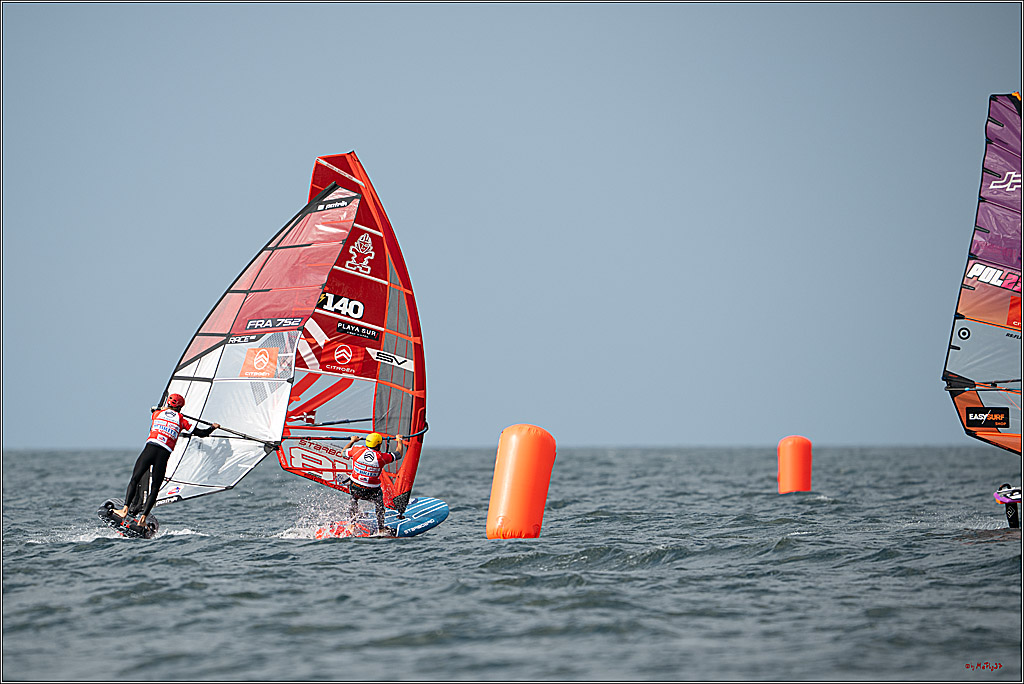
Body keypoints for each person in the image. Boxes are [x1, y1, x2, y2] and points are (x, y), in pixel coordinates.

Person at [114, 393, 220, 526]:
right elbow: (202, 434)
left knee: (135, 479)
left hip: (149, 450)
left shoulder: (157, 414)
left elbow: (154, 410)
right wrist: (212, 427)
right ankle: (142, 519)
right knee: (155, 488)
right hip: (163, 456)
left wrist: (162, 409)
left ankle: (124, 510)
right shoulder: (182, 420)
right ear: (180, 407)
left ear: (168, 404)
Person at [343, 431, 404, 536]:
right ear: (379, 444)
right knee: (379, 504)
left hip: (355, 487)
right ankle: (381, 529)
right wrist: (399, 440)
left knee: (354, 499)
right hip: (372, 491)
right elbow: (398, 454)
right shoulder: (382, 457)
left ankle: (352, 525)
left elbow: (343, 452)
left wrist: (352, 441)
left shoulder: (357, 450)